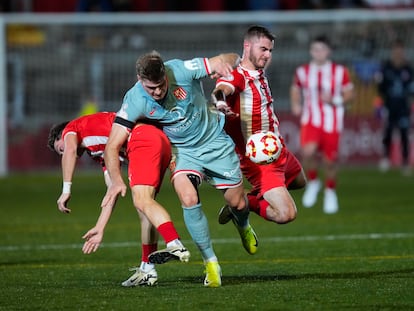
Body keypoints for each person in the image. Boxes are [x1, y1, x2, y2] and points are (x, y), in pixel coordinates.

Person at [101, 50, 258, 288]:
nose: (157, 92)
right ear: (139, 79)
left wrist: (227, 65)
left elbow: (226, 58)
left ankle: (243, 223)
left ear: (166, 74)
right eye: (150, 88)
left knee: (237, 202)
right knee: (187, 196)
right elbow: (112, 146)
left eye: (161, 86)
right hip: (182, 151)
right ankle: (211, 263)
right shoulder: (133, 99)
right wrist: (115, 180)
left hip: (214, 140)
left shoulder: (181, 69)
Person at [47, 111, 189, 287]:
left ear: (62, 136)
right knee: (144, 210)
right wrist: (100, 227)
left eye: (59, 149)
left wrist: (66, 189)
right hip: (156, 140)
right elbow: (112, 191)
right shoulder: (100, 151)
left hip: (143, 138)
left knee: (142, 201)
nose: (63, 155)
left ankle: (174, 243)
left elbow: (70, 150)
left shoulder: (71, 128)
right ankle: (147, 269)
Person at [212, 25, 306, 229]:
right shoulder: (237, 76)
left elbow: (234, 58)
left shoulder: (258, 72)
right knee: (286, 214)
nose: (267, 55)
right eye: (263, 49)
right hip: (259, 159)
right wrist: (220, 103)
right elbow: (221, 90)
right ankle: (244, 201)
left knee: (300, 182)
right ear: (247, 46)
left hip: (277, 149)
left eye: (270, 50)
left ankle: (241, 199)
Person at [290, 34, 354, 214]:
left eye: (322, 49)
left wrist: (335, 99)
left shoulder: (340, 72)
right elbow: (295, 89)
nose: (318, 53)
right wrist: (296, 103)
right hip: (311, 119)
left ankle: (330, 191)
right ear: (311, 51)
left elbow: (350, 94)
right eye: (315, 49)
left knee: (330, 161)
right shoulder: (302, 71)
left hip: (332, 121)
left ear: (328, 51)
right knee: (307, 151)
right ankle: (314, 181)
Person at [375, 39, 414, 175]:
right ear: (393, 52)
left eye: (400, 51)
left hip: (404, 107)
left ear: (403, 52)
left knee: (404, 134)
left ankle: (405, 162)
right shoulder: (386, 68)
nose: (398, 53)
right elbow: (380, 88)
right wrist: (380, 105)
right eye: (396, 51)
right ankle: (385, 159)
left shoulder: (408, 69)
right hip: (389, 106)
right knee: (388, 132)